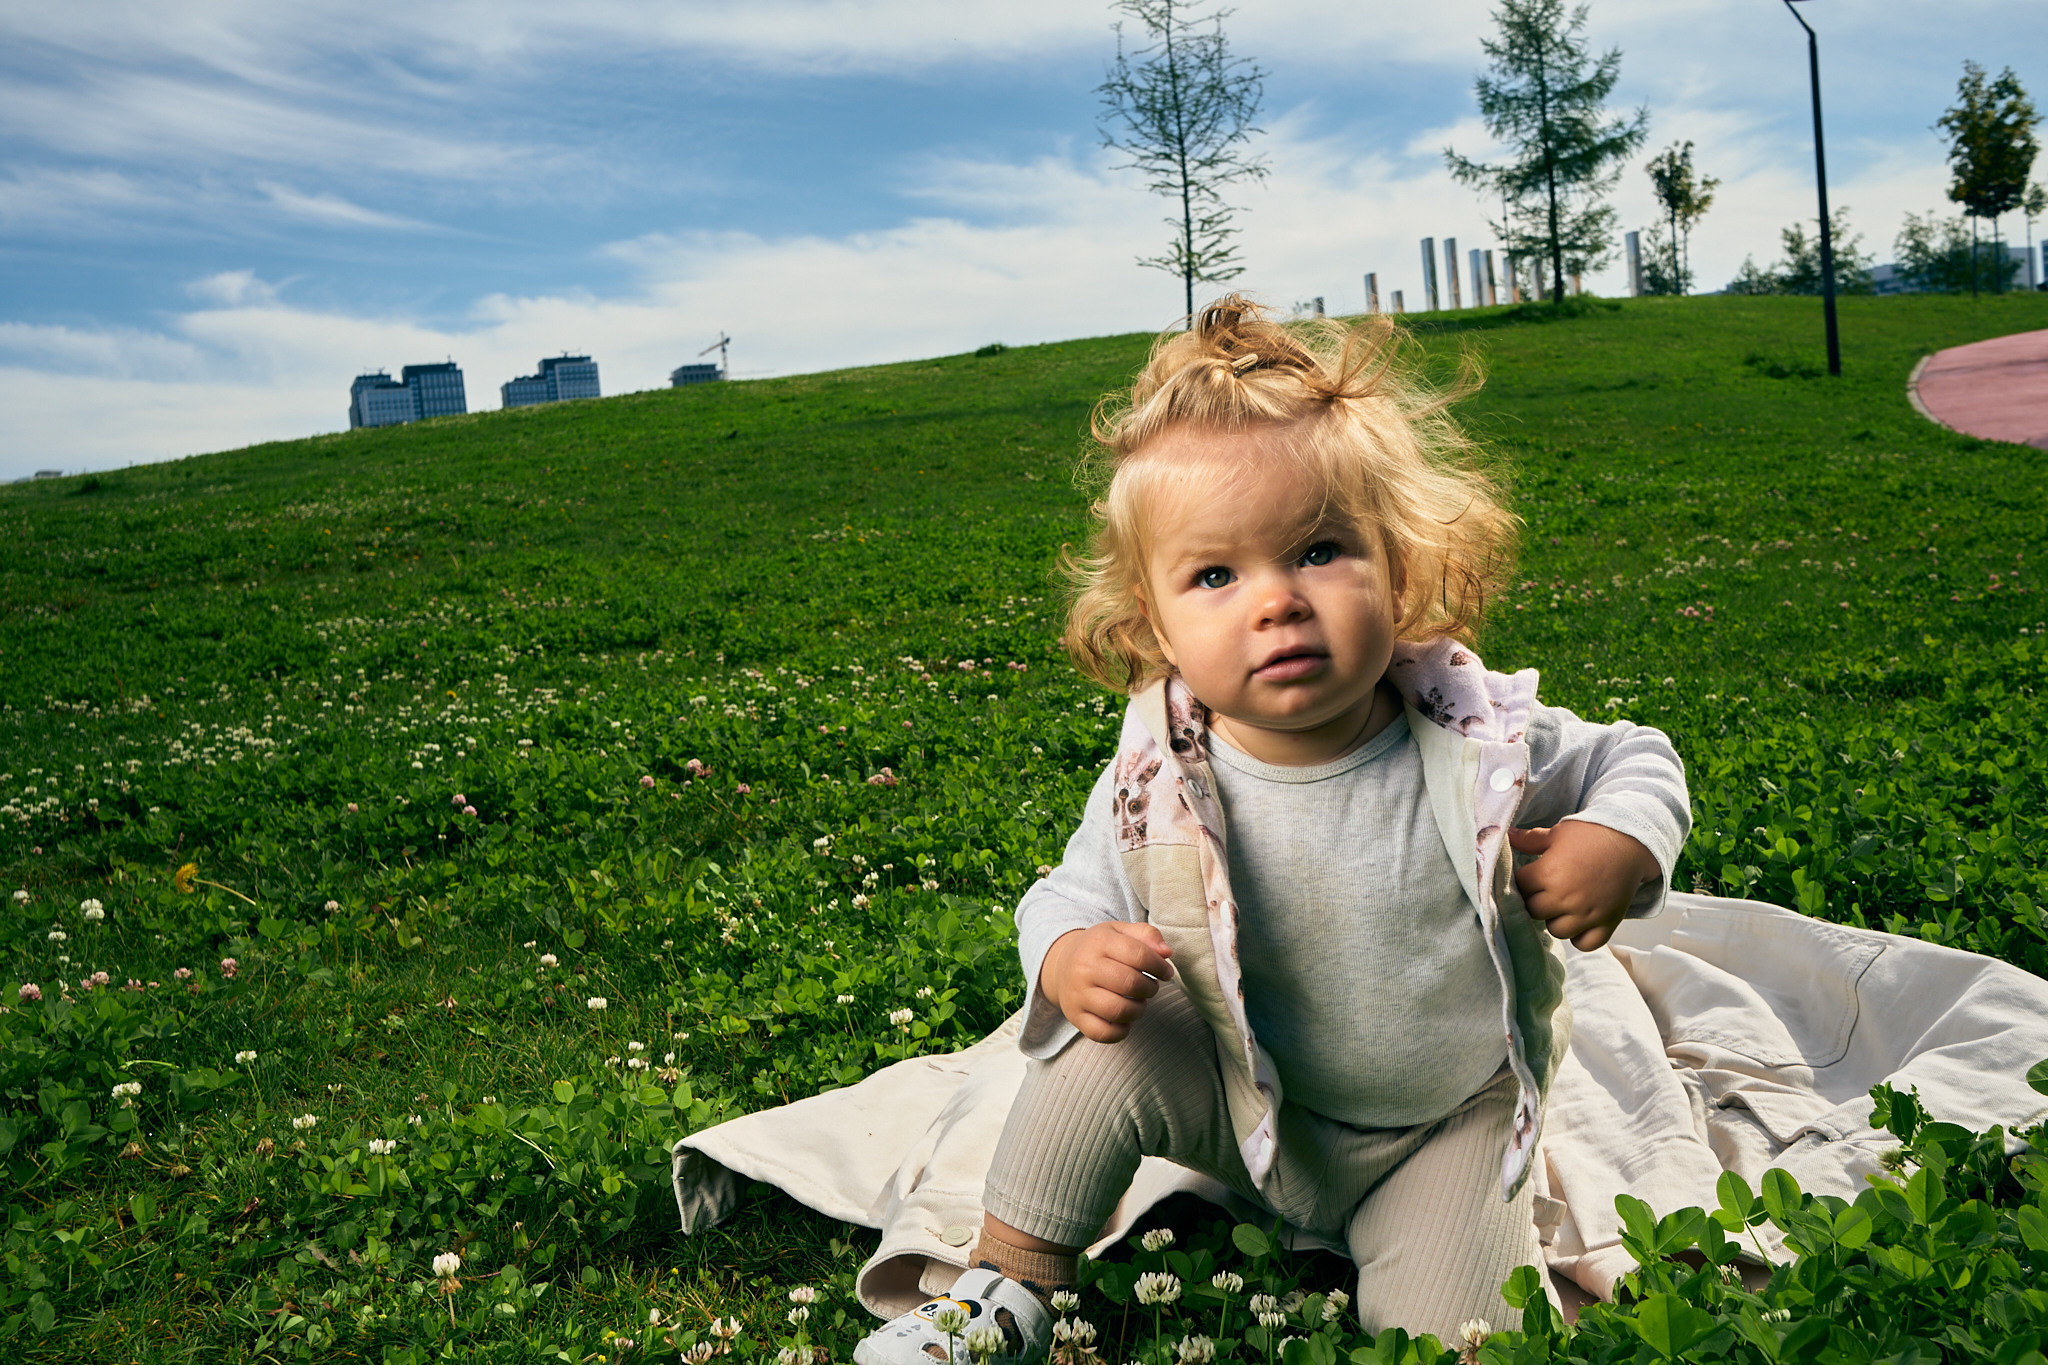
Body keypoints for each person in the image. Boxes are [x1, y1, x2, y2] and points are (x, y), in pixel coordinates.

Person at [855, 297, 1691, 1363]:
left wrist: (1617, 839)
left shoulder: (1474, 736)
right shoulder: (1161, 773)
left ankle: (1421, 1255)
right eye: (1215, 574)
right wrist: (1067, 956)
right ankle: (1009, 1286)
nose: (1274, 603)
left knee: (1466, 1341)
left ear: (1397, 562)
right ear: (1154, 626)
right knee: (1102, 1049)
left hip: (1442, 1125)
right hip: (1246, 1102)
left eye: (1319, 550)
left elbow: (1637, 757)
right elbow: (1067, 891)